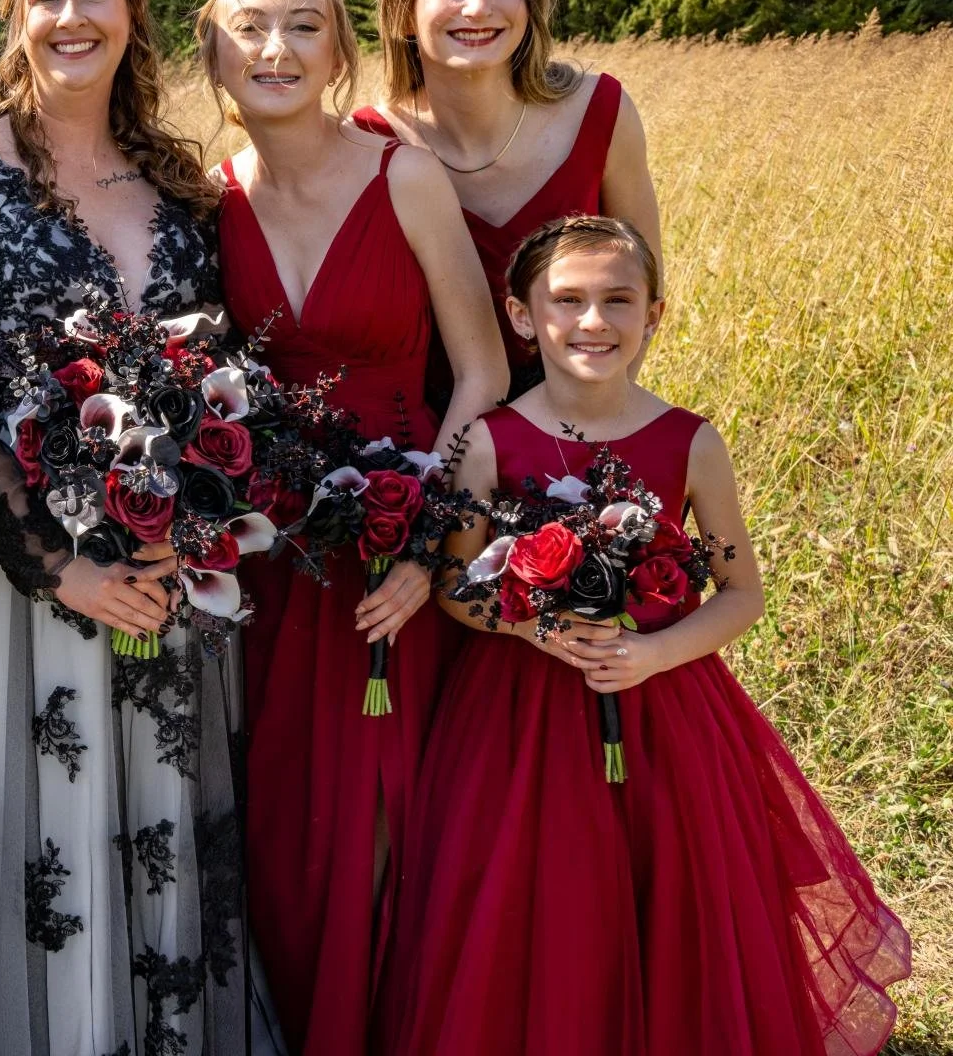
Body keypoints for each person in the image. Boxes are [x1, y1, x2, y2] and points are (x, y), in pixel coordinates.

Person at [0, 0, 280, 1055]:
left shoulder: (180, 180)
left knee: (162, 848)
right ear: (16, 15)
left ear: (133, 12)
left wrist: (186, 518)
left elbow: (227, 366)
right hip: (23, 582)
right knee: (49, 863)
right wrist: (64, 566)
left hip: (169, 573)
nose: (72, 16)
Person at [381, 215, 911, 1056]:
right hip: (521, 722)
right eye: (568, 301)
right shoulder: (491, 443)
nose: (593, 322)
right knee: (545, 900)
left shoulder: (689, 441)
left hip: (668, 711)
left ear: (654, 315)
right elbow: (454, 586)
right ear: (523, 317)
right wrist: (528, 625)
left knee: (675, 899)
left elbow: (741, 594)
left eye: (618, 301)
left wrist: (656, 652)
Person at [201, 0, 505, 1056]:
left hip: (396, 538)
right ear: (213, 55)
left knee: (388, 814)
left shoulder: (404, 176)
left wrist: (432, 537)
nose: (273, 48)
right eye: (248, 27)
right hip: (271, 549)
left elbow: (479, 373)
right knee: (283, 822)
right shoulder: (209, 197)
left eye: (300, 24)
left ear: (338, 48)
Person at [362, 0, 662, 399]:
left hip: (578, 431)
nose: (479, 6)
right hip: (432, 446)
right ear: (402, 11)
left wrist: (580, 431)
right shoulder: (366, 144)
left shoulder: (601, 112)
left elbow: (641, 294)